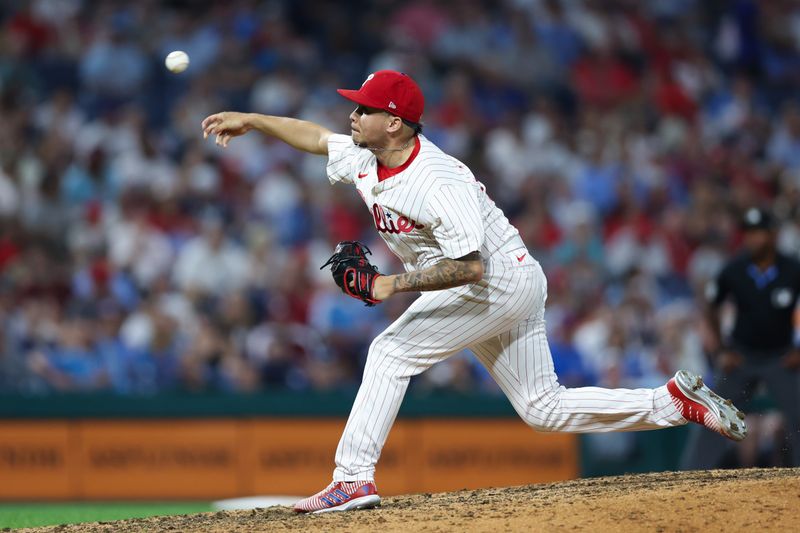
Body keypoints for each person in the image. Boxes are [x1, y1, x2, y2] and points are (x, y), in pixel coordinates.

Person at [201, 70, 748, 514]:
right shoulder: (370, 156)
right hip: (503, 283)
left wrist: (389, 285)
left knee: (390, 353)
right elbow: (318, 139)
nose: (353, 115)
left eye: (364, 108)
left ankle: (352, 478)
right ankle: (672, 401)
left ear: (394, 123)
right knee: (542, 408)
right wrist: (255, 120)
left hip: (496, 282)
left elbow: (470, 268)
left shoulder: (438, 181)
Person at [683, 207, 800, 469]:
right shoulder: (734, 269)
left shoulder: (793, 269)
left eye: (759, 233)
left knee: (798, 416)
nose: (753, 239)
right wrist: (722, 349)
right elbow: (710, 305)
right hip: (742, 355)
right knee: (713, 413)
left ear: (773, 235)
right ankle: (691, 477)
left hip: (780, 356)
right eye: (749, 233)